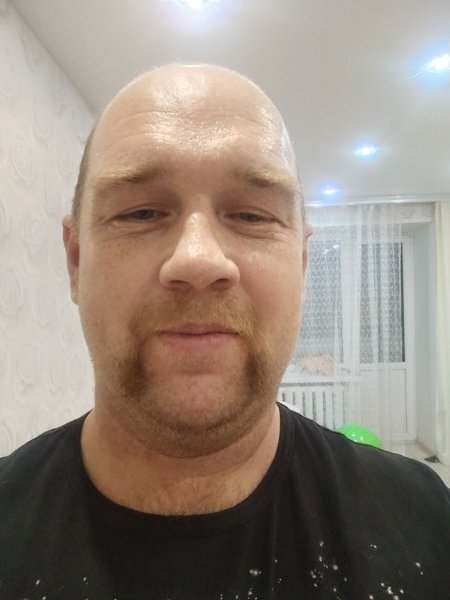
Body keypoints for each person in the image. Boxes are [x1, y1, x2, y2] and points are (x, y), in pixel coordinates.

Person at [0, 63, 449, 600]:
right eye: (142, 212)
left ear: (302, 263)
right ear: (76, 261)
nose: (197, 259)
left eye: (252, 216)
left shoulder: (427, 518)